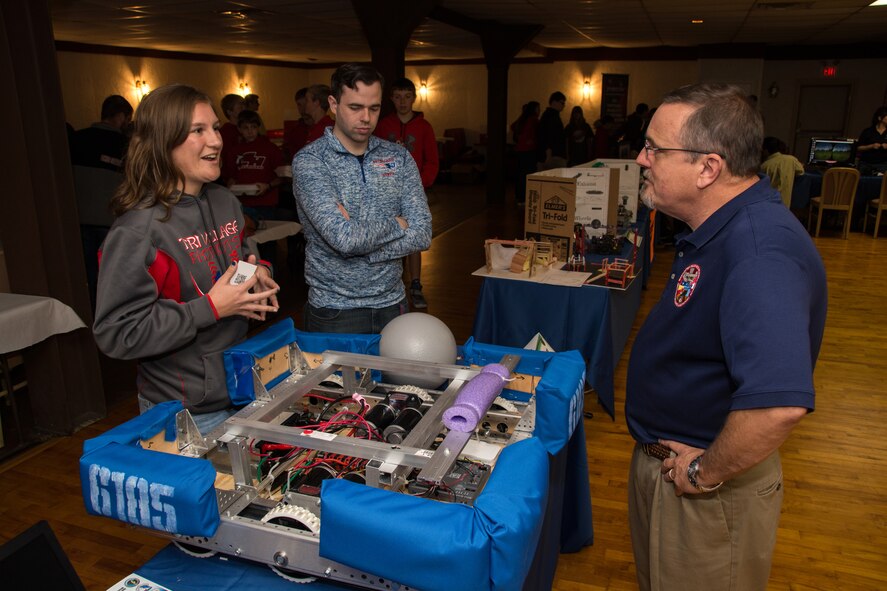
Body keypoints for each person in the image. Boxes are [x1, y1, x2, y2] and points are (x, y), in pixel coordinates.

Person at [626, 83, 827, 591]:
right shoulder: (718, 227)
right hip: (674, 471)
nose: (641, 158)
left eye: (655, 148)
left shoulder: (761, 252)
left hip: (707, 491)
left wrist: (703, 474)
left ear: (707, 168)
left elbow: (777, 405)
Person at [93, 84, 280, 435]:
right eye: (198, 131)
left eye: (214, 127)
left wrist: (259, 273)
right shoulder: (137, 233)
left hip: (245, 388)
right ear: (163, 142)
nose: (217, 140)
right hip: (187, 413)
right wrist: (209, 308)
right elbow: (117, 333)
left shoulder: (225, 201)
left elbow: (244, 255)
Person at [293, 63, 431, 334]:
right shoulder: (311, 161)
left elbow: (423, 232)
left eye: (374, 108)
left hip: (394, 303)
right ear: (333, 104)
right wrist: (398, 224)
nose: (366, 117)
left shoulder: (399, 157)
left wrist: (360, 250)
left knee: (396, 379)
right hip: (335, 310)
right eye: (355, 107)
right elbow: (343, 238)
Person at [374, 77, 439, 309]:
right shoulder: (382, 126)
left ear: (414, 98)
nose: (403, 102)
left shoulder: (424, 127)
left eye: (407, 96)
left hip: (414, 193)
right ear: (391, 99)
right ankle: (391, 283)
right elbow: (376, 156)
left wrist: (418, 186)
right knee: (390, 235)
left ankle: (415, 284)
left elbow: (432, 161)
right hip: (387, 192)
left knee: (413, 239)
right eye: (398, 97)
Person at [71, 95, 133, 171]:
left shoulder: (75, 137)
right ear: (121, 116)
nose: (128, 124)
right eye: (128, 119)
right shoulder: (126, 145)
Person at [511, 101, 540, 207]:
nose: (539, 111)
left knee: (520, 174)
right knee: (528, 175)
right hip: (529, 151)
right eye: (538, 108)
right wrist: (530, 140)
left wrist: (521, 138)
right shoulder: (533, 120)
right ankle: (524, 198)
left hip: (520, 150)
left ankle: (519, 197)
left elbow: (513, 126)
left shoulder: (522, 119)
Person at [761, 136, 804, 207]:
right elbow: (801, 171)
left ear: (766, 150)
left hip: (769, 204)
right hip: (786, 204)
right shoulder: (791, 160)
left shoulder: (765, 166)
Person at [537, 91, 567, 169]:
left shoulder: (549, 115)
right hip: (553, 156)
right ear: (554, 102)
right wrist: (548, 156)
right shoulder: (551, 116)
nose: (564, 106)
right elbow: (548, 136)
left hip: (551, 155)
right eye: (562, 103)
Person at [219, 93, 245, 181]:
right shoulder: (225, 132)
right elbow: (225, 157)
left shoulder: (248, 129)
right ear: (230, 112)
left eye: (244, 105)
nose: (244, 109)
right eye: (240, 107)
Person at [856, 106, 887, 176]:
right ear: (880, 118)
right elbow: (858, 148)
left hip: (883, 165)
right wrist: (871, 146)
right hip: (866, 164)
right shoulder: (868, 131)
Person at [282, 87, 311, 160]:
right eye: (299, 105)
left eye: (306, 104)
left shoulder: (325, 128)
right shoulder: (295, 130)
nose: (303, 109)